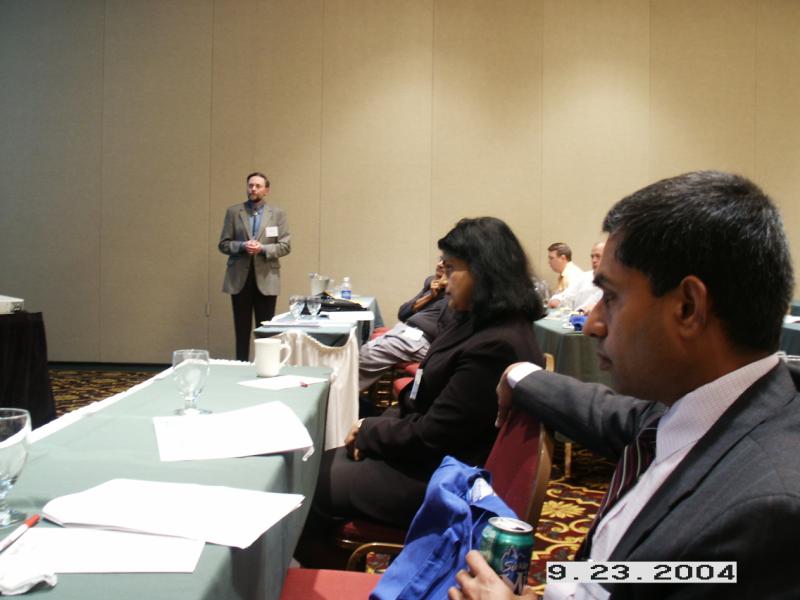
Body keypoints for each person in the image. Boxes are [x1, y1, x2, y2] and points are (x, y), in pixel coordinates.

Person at [451, 171, 799, 599]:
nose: (593, 324)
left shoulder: (768, 513)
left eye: (611, 297)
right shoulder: (707, 409)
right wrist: (520, 374)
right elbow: (606, 413)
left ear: (688, 308)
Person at [296, 217, 546, 566]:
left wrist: (371, 430)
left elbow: (434, 436)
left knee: (307, 488)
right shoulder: (478, 323)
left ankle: (331, 579)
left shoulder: (496, 345)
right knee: (316, 468)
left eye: (452, 268)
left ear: (485, 273)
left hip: (445, 479)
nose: (442, 281)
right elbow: (424, 398)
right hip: (433, 457)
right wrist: (378, 426)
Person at [218, 172, 291, 361]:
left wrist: (262, 248)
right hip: (240, 279)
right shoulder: (234, 212)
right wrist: (242, 246)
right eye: (250, 185)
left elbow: (285, 246)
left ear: (266, 190)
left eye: (258, 186)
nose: (253, 189)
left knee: (266, 330)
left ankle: (265, 366)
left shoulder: (277, 214)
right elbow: (224, 244)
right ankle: (241, 365)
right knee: (241, 329)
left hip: (266, 278)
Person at [358, 258, 453, 391]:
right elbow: (403, 313)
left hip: (423, 340)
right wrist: (430, 296)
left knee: (366, 355)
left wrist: (449, 288)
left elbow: (448, 326)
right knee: (362, 350)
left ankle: (342, 398)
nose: (440, 264)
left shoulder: (457, 294)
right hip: (407, 331)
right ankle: (349, 397)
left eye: (446, 263)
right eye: (440, 260)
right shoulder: (431, 283)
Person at [549, 241, 606, 311]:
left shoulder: (614, 284)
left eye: (598, 256)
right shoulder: (584, 277)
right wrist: (556, 299)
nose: (594, 260)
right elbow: (565, 297)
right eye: (592, 257)